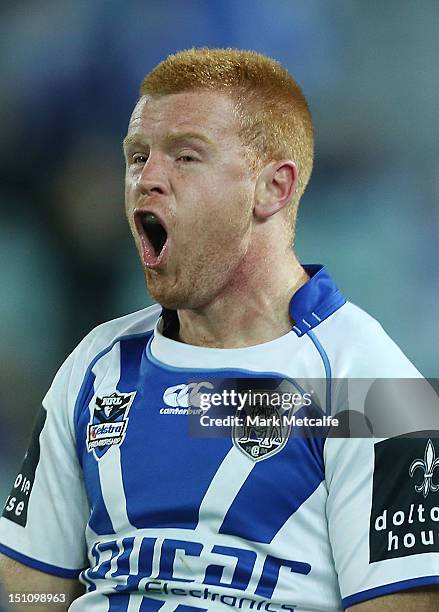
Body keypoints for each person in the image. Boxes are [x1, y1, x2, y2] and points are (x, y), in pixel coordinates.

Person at [0, 48, 438, 612]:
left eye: (185, 157)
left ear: (273, 189)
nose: (146, 179)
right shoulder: (96, 365)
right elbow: (33, 588)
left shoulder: (374, 389)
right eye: (136, 157)